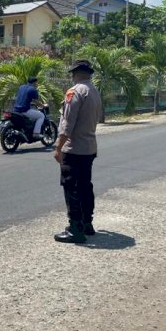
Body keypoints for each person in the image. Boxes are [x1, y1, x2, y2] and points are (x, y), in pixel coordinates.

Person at [53, 59, 103, 244]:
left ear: (75, 73)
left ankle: (75, 228)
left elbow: (67, 124)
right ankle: (87, 223)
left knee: (71, 187)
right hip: (89, 147)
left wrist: (58, 147)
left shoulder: (74, 92)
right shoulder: (94, 92)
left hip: (73, 149)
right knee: (85, 186)